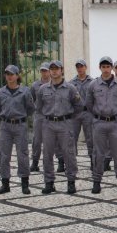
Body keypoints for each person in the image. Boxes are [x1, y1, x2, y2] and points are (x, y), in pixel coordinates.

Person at [36, 60, 83, 195]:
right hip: (48, 124)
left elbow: (78, 106)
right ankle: (49, 183)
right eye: (52, 69)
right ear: (49, 71)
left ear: (61, 70)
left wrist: (68, 118)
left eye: (57, 68)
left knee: (69, 153)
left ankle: (71, 182)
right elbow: (39, 107)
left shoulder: (70, 88)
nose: (54, 71)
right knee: (47, 154)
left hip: (65, 123)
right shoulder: (43, 89)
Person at [86, 56, 117, 194]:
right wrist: (98, 115)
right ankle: (97, 182)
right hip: (99, 123)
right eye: (103, 67)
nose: (106, 69)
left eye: (108, 66)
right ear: (100, 68)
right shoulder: (93, 85)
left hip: (115, 123)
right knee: (98, 153)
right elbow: (89, 104)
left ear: (111, 68)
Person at [0, 65, 35, 194]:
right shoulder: (0, 92)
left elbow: (30, 108)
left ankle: (24, 183)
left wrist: (19, 117)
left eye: (12, 74)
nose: (9, 76)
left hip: (20, 125)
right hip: (5, 126)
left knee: (22, 154)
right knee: (4, 155)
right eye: (7, 74)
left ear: (17, 76)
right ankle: (5, 184)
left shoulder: (25, 91)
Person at [70, 59, 94, 169]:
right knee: (72, 137)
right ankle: (72, 161)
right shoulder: (71, 83)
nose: (80, 68)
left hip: (88, 113)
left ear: (86, 67)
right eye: (78, 67)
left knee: (90, 137)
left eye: (82, 66)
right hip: (75, 114)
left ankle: (93, 160)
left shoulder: (92, 82)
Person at [30, 62, 50, 172]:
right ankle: (35, 162)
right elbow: (31, 99)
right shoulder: (35, 85)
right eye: (42, 70)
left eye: (46, 70)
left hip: (51, 115)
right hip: (39, 115)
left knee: (52, 140)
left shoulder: (53, 84)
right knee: (36, 140)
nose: (44, 73)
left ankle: (59, 161)